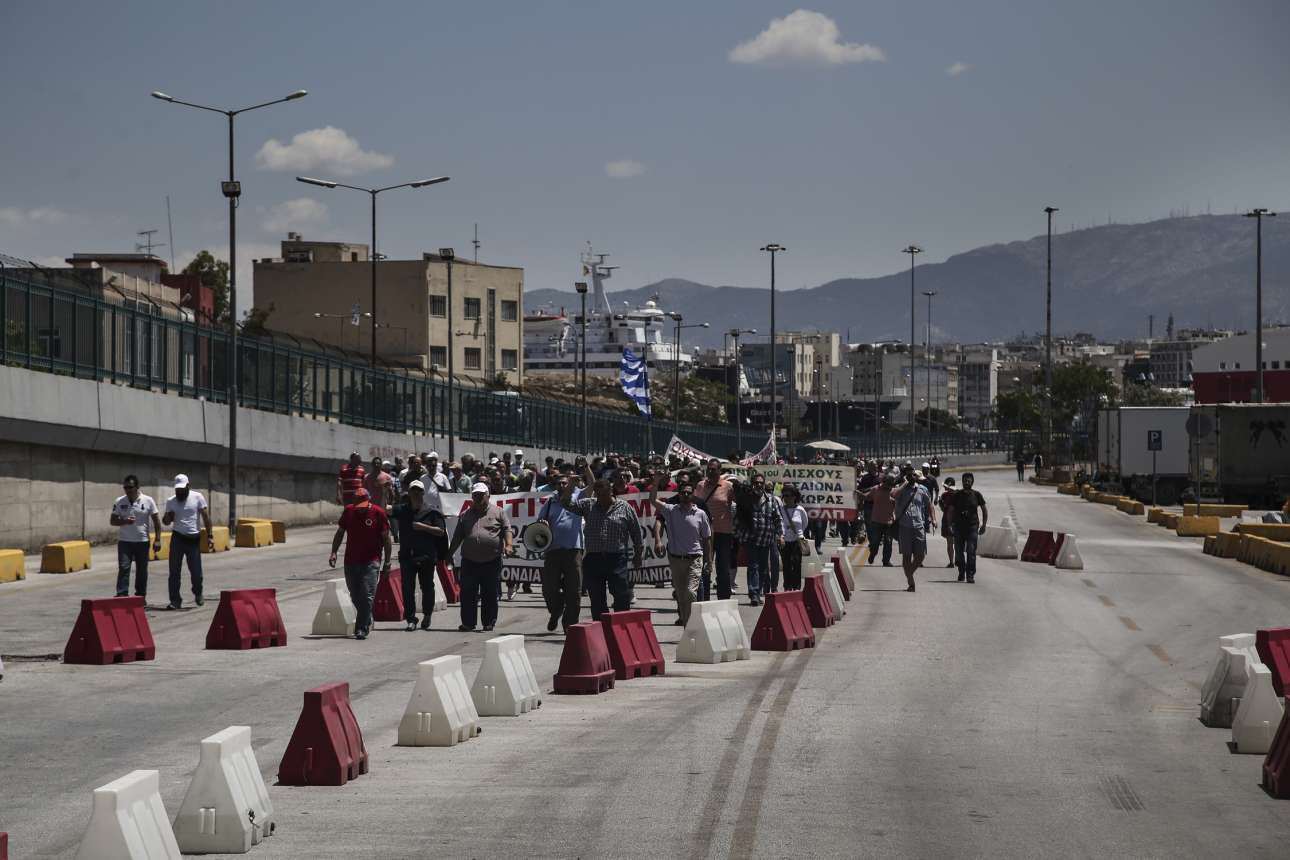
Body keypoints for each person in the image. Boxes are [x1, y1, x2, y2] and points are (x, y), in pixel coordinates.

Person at [566, 478, 643, 620]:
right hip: (594, 559)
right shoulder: (589, 505)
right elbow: (566, 504)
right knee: (596, 598)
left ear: (611, 491)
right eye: (598, 494)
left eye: (603, 494)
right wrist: (570, 486)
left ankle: (621, 625)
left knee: (621, 595)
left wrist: (638, 556)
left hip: (617, 559)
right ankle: (601, 627)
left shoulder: (625, 507)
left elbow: (636, 533)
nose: (600, 498)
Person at [329, 487, 393, 640]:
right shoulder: (349, 511)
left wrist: (388, 562)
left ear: (369, 501)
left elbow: (386, 539)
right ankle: (367, 616)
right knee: (355, 596)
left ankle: (361, 628)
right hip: (351, 561)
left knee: (367, 595)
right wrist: (333, 552)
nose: (360, 510)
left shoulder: (378, 513)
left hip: (371, 561)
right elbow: (340, 532)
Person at [446, 483, 512, 632]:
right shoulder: (465, 515)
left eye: (481, 495)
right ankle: (468, 623)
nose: (477, 498)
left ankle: (489, 622)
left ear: (487, 495)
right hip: (469, 561)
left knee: (490, 592)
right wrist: (449, 554)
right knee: (468, 593)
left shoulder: (499, 512)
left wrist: (508, 545)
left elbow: (507, 529)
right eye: (475, 495)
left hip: (491, 560)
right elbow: (457, 536)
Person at [651, 480, 713, 626]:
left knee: (691, 593)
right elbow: (652, 500)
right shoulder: (671, 510)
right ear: (679, 495)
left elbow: (707, 538)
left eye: (688, 492)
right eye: (683, 492)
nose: (685, 495)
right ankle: (688, 627)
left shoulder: (701, 514)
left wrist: (709, 560)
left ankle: (693, 625)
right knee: (681, 596)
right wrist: (656, 481)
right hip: (676, 559)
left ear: (693, 495)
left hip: (695, 559)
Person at [388, 480, 446, 631]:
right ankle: (411, 619)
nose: (415, 493)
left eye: (418, 491)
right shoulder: (402, 510)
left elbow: (440, 531)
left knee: (427, 587)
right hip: (407, 556)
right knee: (407, 588)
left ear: (422, 493)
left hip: (426, 556)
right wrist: (384, 492)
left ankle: (427, 614)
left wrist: (424, 527)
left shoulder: (432, 511)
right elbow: (385, 509)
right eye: (412, 490)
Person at [536, 474, 586, 631]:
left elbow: (591, 484)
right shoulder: (550, 502)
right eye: (559, 483)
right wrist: (543, 523)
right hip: (553, 550)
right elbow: (540, 523)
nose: (562, 485)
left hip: (573, 550)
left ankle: (569, 624)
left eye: (565, 483)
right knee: (549, 588)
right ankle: (556, 609)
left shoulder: (578, 497)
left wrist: (585, 468)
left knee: (574, 590)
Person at [162, 474, 214, 610]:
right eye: (177, 489)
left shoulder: (197, 497)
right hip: (177, 538)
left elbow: (206, 517)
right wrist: (168, 517)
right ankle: (175, 600)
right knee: (174, 571)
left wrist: (210, 535)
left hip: (193, 539)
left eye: (182, 489)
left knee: (196, 572)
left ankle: (198, 592)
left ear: (188, 486)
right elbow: (166, 521)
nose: (179, 492)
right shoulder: (171, 501)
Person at [734, 472, 782, 607]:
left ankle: (758, 590)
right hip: (751, 539)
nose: (759, 485)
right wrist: (737, 535)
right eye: (756, 483)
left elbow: (777, 518)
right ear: (752, 484)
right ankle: (754, 593)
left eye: (761, 483)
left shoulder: (771, 500)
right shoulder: (746, 499)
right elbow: (739, 518)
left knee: (763, 568)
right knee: (753, 565)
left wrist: (780, 534)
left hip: (766, 539)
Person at [111, 474, 161, 600]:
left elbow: (156, 521)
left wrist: (158, 539)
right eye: (125, 487)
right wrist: (125, 521)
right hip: (125, 542)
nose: (127, 490)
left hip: (142, 542)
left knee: (141, 571)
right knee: (124, 567)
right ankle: (122, 595)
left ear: (137, 487)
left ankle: (140, 597)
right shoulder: (120, 501)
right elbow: (113, 521)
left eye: (130, 487)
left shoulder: (148, 500)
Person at [693, 459, 737, 600]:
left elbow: (735, 505)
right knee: (705, 567)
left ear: (719, 470)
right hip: (704, 534)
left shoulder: (729, 486)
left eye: (713, 469)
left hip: (723, 532)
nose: (710, 472)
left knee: (723, 568)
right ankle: (704, 599)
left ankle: (724, 599)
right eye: (709, 469)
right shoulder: (700, 485)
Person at [894, 467, 934, 592]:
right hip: (904, 526)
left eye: (913, 475)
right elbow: (893, 495)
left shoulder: (922, 490)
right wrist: (904, 483)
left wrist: (934, 519)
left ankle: (909, 573)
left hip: (919, 526)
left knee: (920, 556)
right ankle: (911, 582)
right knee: (906, 556)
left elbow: (929, 505)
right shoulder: (901, 489)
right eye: (909, 475)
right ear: (906, 477)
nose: (912, 477)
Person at [952, 473, 988, 583]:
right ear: (962, 482)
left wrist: (984, 525)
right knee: (958, 551)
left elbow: (984, 510)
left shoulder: (977, 495)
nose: (967, 482)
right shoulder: (957, 495)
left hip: (972, 526)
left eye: (969, 481)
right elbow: (951, 510)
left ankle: (970, 575)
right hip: (958, 527)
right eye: (965, 481)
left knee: (971, 550)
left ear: (972, 482)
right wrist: (950, 524)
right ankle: (961, 572)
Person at [862, 475, 898, 566]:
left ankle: (886, 561)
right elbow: (867, 497)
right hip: (876, 521)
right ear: (884, 482)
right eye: (888, 483)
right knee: (875, 542)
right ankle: (872, 554)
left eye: (891, 484)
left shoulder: (893, 491)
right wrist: (859, 494)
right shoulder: (876, 489)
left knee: (888, 542)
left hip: (889, 522)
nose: (889, 486)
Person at [779, 485, 809, 590]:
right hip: (785, 540)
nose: (786, 498)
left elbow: (805, 524)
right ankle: (787, 587)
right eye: (785, 495)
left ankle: (796, 587)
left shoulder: (800, 509)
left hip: (798, 540)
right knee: (786, 564)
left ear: (794, 496)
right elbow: (780, 523)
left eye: (789, 495)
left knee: (796, 564)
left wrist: (798, 532)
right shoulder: (781, 509)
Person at [938, 477, 957, 567]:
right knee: (955, 543)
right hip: (955, 521)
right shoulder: (957, 494)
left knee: (950, 543)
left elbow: (943, 509)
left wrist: (941, 503)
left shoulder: (945, 495)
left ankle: (952, 562)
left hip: (951, 521)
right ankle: (954, 561)